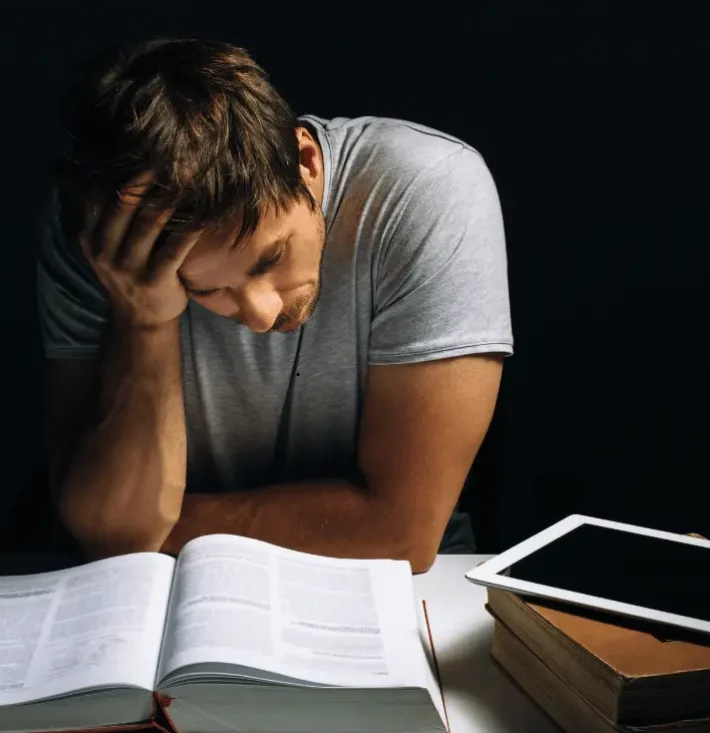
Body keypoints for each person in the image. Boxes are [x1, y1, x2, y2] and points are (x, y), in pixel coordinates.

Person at [36, 37, 512, 572]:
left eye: (270, 258)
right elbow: (111, 534)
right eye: (204, 290)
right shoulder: (108, 241)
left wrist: (152, 529)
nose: (260, 315)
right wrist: (144, 319)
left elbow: (402, 535)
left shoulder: (427, 188)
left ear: (305, 161)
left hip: (397, 587)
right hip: (167, 587)